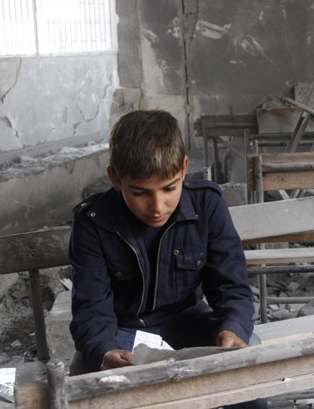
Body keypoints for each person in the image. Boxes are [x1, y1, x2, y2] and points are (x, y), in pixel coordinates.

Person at [69, 110, 265, 408]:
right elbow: (91, 307)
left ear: (184, 169)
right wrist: (103, 349)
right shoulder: (93, 222)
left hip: (187, 322)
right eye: (140, 192)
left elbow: (232, 286)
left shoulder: (207, 205)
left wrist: (232, 328)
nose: (157, 206)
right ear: (115, 178)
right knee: (88, 375)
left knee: (247, 357)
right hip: (124, 332)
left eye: (169, 188)